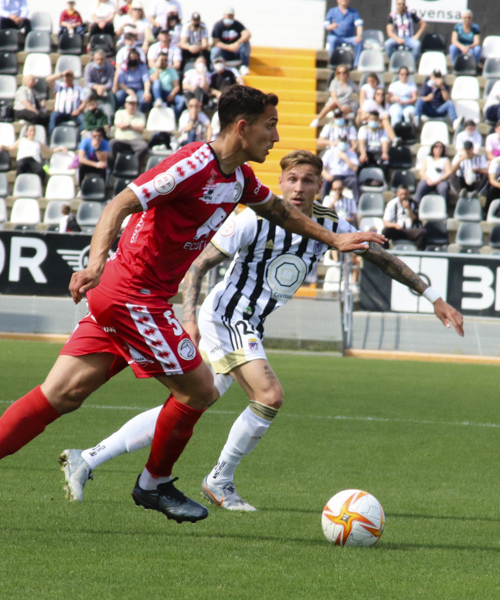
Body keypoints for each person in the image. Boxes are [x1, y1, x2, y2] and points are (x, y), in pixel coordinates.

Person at [0, 85, 385, 529]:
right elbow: (118, 205)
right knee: (200, 390)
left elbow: (283, 214)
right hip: (133, 296)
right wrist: (93, 266)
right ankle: (154, 483)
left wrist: (336, 238)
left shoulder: (240, 179)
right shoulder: (193, 164)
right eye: (270, 127)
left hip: (127, 297)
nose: (277, 137)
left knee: (62, 394)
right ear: (242, 128)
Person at [57, 150, 460, 510]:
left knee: (190, 404)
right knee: (269, 395)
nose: (299, 188)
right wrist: (190, 316)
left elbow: (381, 258)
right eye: (292, 179)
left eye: (307, 180)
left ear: (320, 185)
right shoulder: (253, 218)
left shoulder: (329, 225)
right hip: (226, 316)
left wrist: (434, 298)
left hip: (248, 322)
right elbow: (200, 266)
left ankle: (87, 458)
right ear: (280, 182)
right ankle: (219, 480)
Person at [0, 123, 66, 179]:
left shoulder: (38, 142)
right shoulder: (21, 141)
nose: (33, 132)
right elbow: (10, 148)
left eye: (34, 131)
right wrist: (2, 146)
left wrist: (60, 148)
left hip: (34, 161)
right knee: (20, 166)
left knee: (41, 171)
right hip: (23, 160)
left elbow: (50, 151)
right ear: (27, 132)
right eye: (31, 131)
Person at [381, 185, 426, 250]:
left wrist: (409, 209)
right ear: (397, 194)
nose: (403, 196)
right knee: (385, 231)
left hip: (410, 230)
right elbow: (386, 222)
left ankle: (419, 254)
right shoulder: (392, 204)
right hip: (397, 230)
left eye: (405, 194)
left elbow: (416, 220)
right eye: (401, 194)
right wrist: (395, 225)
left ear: (408, 194)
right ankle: (385, 252)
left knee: (422, 233)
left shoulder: (414, 203)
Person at [208, 8, 250, 75]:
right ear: (224, 15)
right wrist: (228, 47)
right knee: (215, 50)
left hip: (235, 50)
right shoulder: (218, 25)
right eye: (228, 15)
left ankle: (244, 66)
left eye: (231, 15)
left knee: (246, 43)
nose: (230, 17)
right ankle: (213, 69)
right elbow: (215, 42)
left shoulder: (237, 24)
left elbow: (247, 34)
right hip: (224, 51)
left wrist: (237, 43)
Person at [325, 0, 363, 66]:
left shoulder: (354, 12)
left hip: (349, 38)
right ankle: (332, 62)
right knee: (332, 39)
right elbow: (326, 26)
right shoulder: (332, 11)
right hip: (336, 36)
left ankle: (356, 64)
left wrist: (359, 35)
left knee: (359, 42)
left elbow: (359, 25)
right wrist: (332, 26)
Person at [48, 70, 87, 134]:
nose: (68, 78)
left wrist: (79, 110)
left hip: (74, 113)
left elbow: (84, 102)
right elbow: (48, 80)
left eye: (70, 76)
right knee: (53, 119)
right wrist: (61, 74)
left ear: (73, 77)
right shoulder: (58, 86)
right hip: (59, 113)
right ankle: (53, 139)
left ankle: (78, 140)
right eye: (66, 76)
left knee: (83, 121)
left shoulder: (78, 89)